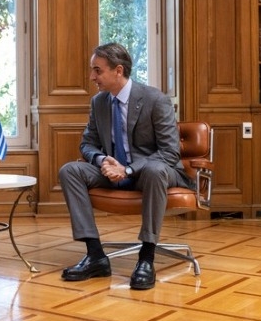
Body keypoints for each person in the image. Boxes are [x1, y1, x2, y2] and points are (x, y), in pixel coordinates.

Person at [58, 43, 194, 290]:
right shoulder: (99, 102)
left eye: (97, 70)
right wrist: (103, 160)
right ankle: (95, 255)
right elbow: (87, 144)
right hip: (113, 170)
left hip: (152, 172)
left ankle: (146, 257)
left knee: (154, 170)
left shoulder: (155, 100)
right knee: (70, 171)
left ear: (118, 70)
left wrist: (128, 169)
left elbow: (169, 152)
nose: (92, 77)